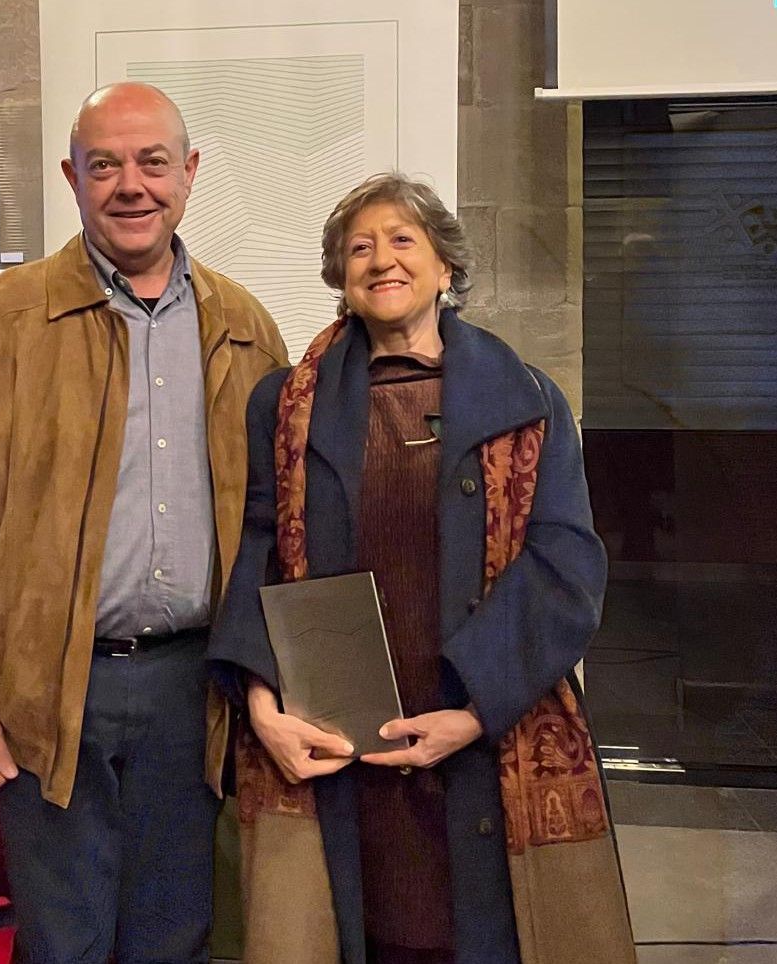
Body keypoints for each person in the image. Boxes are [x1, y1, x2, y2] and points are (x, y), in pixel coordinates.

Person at [0, 82, 288, 964]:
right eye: (105, 165)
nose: (130, 185)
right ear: (72, 177)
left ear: (190, 173)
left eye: (151, 162)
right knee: (64, 946)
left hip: (196, 693)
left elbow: (280, 526)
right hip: (51, 699)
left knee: (179, 942)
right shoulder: (2, 322)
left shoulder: (247, 330)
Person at [208, 173, 636, 964]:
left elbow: (566, 562)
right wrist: (262, 700)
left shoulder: (529, 398)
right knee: (351, 925)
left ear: (445, 266)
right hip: (336, 742)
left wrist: (474, 712)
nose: (381, 260)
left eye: (403, 240)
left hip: (478, 731)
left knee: (470, 934)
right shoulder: (282, 406)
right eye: (359, 248)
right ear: (340, 277)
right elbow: (259, 548)